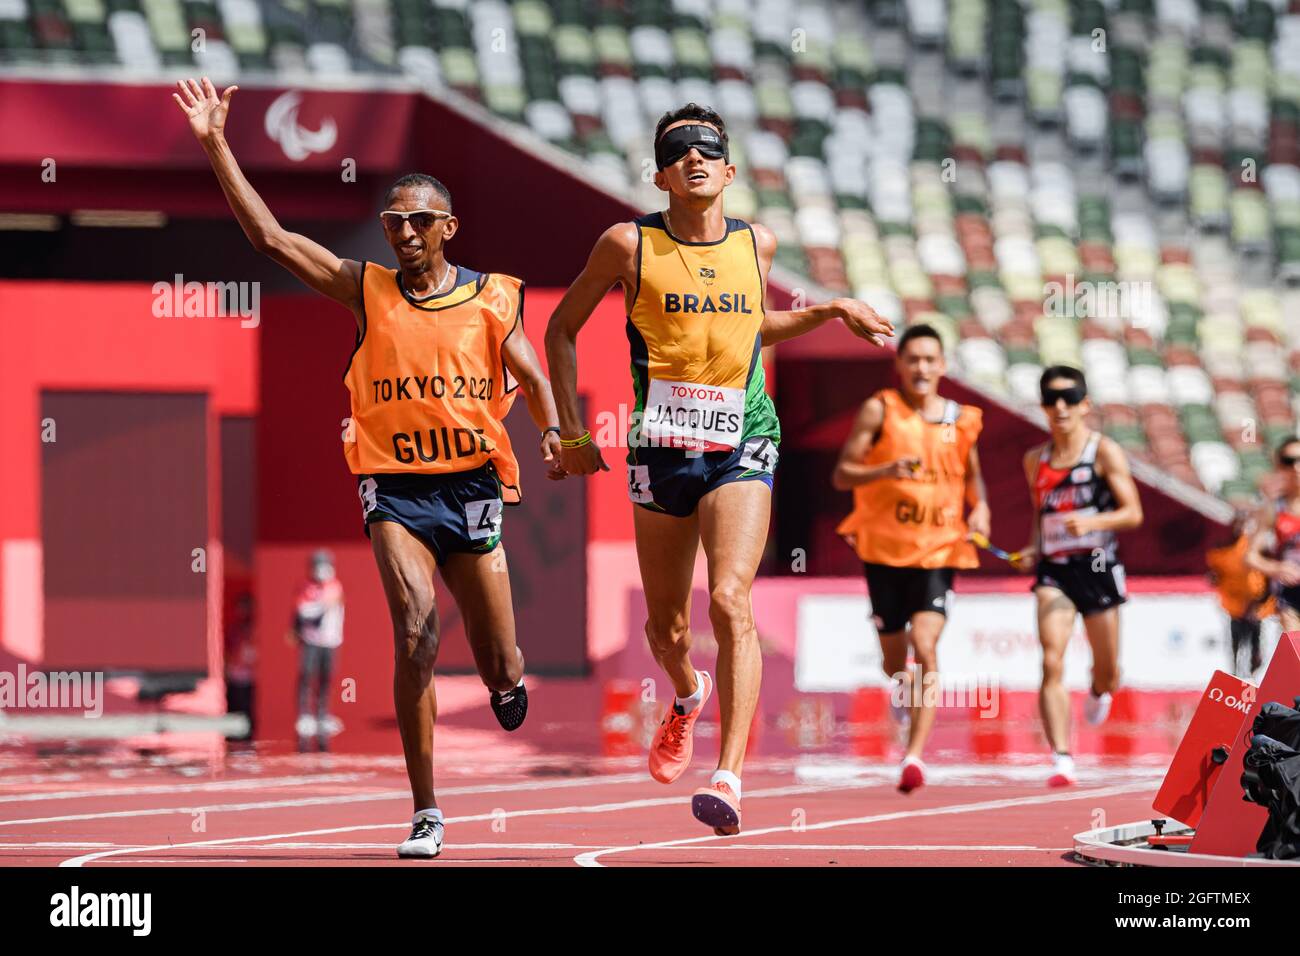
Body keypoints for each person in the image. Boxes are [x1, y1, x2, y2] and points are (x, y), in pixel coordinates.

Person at [175, 76, 565, 859]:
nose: (406, 232)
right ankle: (426, 810)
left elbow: (533, 372)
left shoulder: (491, 298)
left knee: (498, 659)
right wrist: (217, 143)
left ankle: (505, 680)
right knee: (416, 633)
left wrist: (552, 431)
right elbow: (274, 242)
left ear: (449, 226)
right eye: (394, 221)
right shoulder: (367, 291)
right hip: (395, 489)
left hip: (473, 490)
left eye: (421, 220)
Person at [545, 103, 893, 834]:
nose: (695, 158)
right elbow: (561, 328)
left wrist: (830, 309)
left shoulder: (755, 244)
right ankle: (684, 693)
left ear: (730, 170)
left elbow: (755, 325)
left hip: (743, 440)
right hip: (661, 449)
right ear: (661, 173)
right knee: (667, 629)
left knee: (731, 600)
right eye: (679, 151)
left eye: (709, 149)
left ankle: (729, 778)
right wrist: (570, 431)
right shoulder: (626, 244)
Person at [832, 323, 989, 793]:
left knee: (926, 645)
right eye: (912, 359)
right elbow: (842, 475)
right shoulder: (881, 410)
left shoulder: (962, 420)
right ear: (899, 365)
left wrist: (979, 509)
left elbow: (973, 476)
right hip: (883, 551)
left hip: (940, 550)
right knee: (893, 661)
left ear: (942, 365)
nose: (921, 368)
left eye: (929, 359)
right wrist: (886, 469)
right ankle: (901, 685)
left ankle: (914, 755)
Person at [1011, 366, 1143, 787]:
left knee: (1107, 670)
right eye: (1051, 399)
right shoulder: (1035, 460)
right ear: (1043, 406)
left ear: (1085, 404)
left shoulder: (1103, 452)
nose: (1060, 407)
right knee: (1051, 658)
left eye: (1070, 398)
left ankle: (1099, 689)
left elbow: (1133, 513)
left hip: (1099, 569)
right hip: (1055, 572)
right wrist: (1032, 548)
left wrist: (1092, 523)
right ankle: (1062, 757)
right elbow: (1040, 515)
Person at [289, 549, 345, 753]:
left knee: (326, 678)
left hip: (330, 641)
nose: (322, 570)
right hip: (311, 640)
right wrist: (320, 606)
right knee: (306, 676)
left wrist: (323, 606)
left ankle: (322, 714)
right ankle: (304, 715)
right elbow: (303, 611)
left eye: (326, 565)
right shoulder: (306, 586)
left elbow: (336, 611)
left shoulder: (335, 586)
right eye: (318, 565)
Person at [1245, 438, 1300, 640]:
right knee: (1297, 654)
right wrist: (1276, 568)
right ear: (1279, 466)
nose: (1296, 467)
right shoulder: (1273, 509)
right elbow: (1251, 556)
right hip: (1291, 595)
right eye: (1289, 461)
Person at [1208, 510, 1271, 677]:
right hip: (1234, 606)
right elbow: (1215, 574)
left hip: (1256, 607)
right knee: (1236, 644)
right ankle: (1236, 679)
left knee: (1256, 648)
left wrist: (1260, 601)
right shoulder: (1221, 551)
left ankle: (1253, 677)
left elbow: (1267, 575)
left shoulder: (1253, 547)